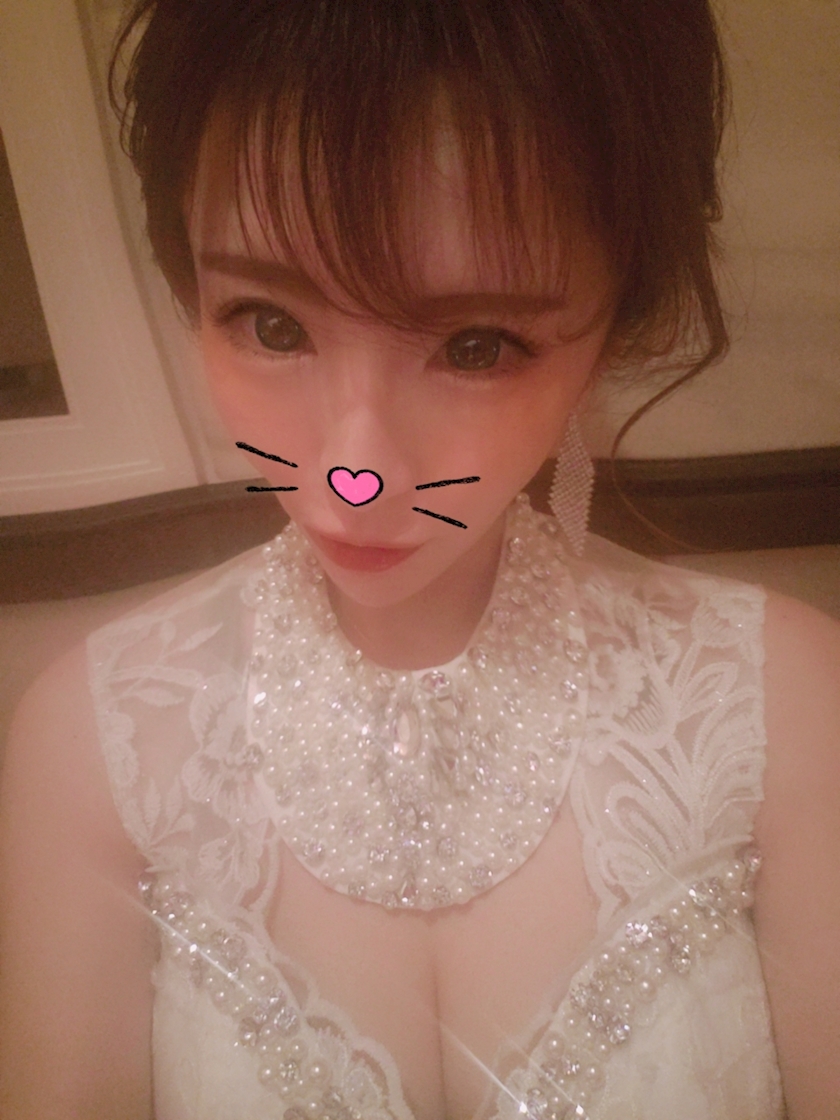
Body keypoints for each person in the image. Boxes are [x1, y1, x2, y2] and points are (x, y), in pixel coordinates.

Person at [1, 2, 838, 1117]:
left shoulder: (784, 702)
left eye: (476, 345)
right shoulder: (91, 740)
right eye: (270, 323)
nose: (357, 471)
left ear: (618, 325)